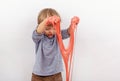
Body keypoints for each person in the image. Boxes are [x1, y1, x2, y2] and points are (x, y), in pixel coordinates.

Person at [31, 8, 72, 81]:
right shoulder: (39, 37)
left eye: (54, 28)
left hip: (56, 75)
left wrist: (72, 24)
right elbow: (38, 31)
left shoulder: (58, 35)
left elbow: (69, 32)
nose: (52, 31)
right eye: (47, 29)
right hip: (39, 76)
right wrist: (47, 20)